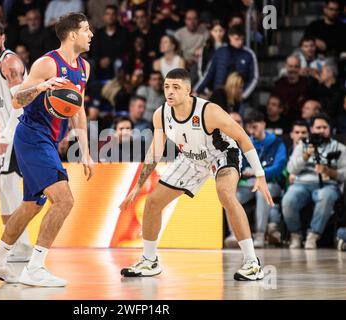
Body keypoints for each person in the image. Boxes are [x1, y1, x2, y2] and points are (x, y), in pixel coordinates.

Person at [119, 68, 274, 281]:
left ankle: (252, 263)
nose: (169, 92)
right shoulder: (161, 114)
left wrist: (260, 174)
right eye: (166, 87)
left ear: (188, 91)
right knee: (153, 202)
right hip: (191, 158)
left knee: (225, 195)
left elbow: (243, 138)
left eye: (176, 87)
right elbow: (155, 152)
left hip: (221, 154)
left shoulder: (209, 111)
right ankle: (149, 260)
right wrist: (137, 186)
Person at [0, 13, 94, 287]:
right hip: (32, 136)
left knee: (31, 205)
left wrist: (86, 151)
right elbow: (17, 100)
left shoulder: (84, 68)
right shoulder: (46, 63)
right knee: (64, 200)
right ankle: (36, 267)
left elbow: (77, 110)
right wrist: (42, 86)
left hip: (50, 141)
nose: (91, 35)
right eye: (86, 30)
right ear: (72, 35)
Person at [0, 20, 33, 262]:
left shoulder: (10, 62)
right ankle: (12, 245)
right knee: (3, 187)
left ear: (2, 38)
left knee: (9, 185)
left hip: (20, 129)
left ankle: (18, 247)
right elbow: (1, 106)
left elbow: (20, 104)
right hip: (6, 130)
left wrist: (7, 135)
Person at [282, 113, 346, 249]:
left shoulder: (339, 148)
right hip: (302, 184)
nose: (321, 130)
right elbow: (291, 168)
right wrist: (306, 155)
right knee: (288, 200)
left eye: (324, 127)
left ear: (330, 129)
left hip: (328, 185)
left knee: (325, 196)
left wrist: (330, 172)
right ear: (312, 129)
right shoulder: (302, 146)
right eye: (318, 128)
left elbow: (344, 173)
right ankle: (295, 235)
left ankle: (313, 236)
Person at [228, 110, 287, 248]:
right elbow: (240, 164)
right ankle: (234, 234)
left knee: (262, 191)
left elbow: (279, 166)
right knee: (230, 196)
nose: (252, 131)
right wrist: (243, 171)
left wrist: (258, 172)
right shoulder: (246, 142)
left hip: (272, 183)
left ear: (263, 124)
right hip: (249, 184)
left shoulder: (277, 143)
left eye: (255, 127)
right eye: (249, 128)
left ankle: (260, 235)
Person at [195, 25, 258, 100]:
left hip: (239, 99)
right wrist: (196, 91)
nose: (240, 42)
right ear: (230, 37)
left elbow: (254, 78)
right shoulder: (220, 52)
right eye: (237, 39)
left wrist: (243, 95)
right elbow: (208, 74)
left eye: (242, 39)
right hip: (219, 97)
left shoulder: (249, 54)